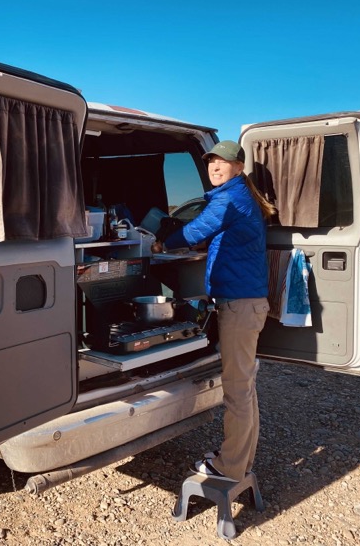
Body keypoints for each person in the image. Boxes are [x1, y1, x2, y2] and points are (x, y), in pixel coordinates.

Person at [151, 140, 275, 482]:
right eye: (211, 162)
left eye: (222, 162)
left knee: (236, 389)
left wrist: (163, 243)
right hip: (245, 303)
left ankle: (229, 467)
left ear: (239, 167)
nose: (214, 167)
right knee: (245, 387)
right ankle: (241, 459)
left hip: (240, 305)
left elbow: (197, 230)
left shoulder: (231, 198)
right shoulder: (240, 197)